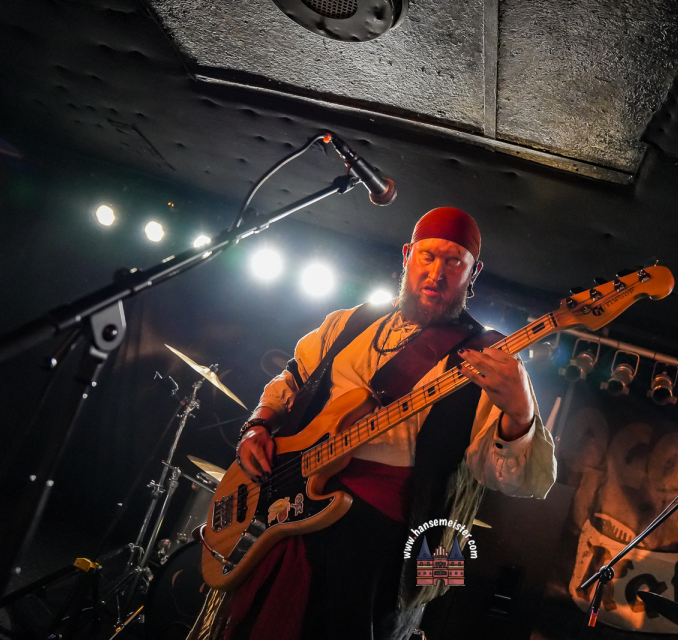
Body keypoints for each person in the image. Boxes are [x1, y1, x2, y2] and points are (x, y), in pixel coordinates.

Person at [193, 207, 556, 640]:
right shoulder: (349, 322)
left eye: (454, 262)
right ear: (407, 256)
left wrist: (520, 414)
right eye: (427, 257)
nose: (436, 274)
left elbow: (515, 480)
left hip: (384, 543)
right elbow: (291, 379)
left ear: (473, 272)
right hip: (286, 501)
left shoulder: (488, 356)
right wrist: (258, 425)